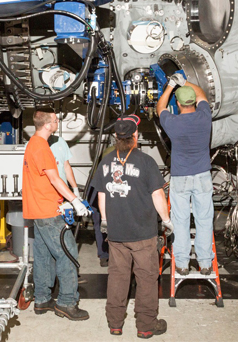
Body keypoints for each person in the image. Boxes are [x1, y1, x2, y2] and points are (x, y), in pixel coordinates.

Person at [93, 115, 172, 338]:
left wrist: (106, 221)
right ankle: (146, 326)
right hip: (143, 233)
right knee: (146, 278)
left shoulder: (106, 162)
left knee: (118, 277)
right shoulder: (146, 162)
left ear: (116, 137)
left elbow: (102, 195)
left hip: (117, 232)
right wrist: (166, 220)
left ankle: (115, 323)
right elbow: (157, 194)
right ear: (135, 136)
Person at [22, 108, 91, 321]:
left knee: (43, 256)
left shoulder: (32, 144)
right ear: (48, 124)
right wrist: (75, 200)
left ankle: (42, 299)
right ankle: (67, 303)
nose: (58, 121)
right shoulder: (42, 148)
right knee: (68, 253)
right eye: (56, 119)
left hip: (37, 210)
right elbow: (55, 179)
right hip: (48, 212)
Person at [156, 74, 213, 275]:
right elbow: (202, 93)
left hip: (180, 177)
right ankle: (205, 263)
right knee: (204, 220)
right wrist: (185, 82)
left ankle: (181, 263)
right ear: (194, 103)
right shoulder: (205, 116)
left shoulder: (172, 122)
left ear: (178, 104)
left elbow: (160, 107)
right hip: (203, 176)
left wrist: (171, 85)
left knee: (179, 221)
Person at [49, 132, 80, 198]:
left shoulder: (60, 141)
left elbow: (66, 166)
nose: (57, 122)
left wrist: (75, 189)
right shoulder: (32, 145)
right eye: (55, 121)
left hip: (64, 193)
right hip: (47, 194)